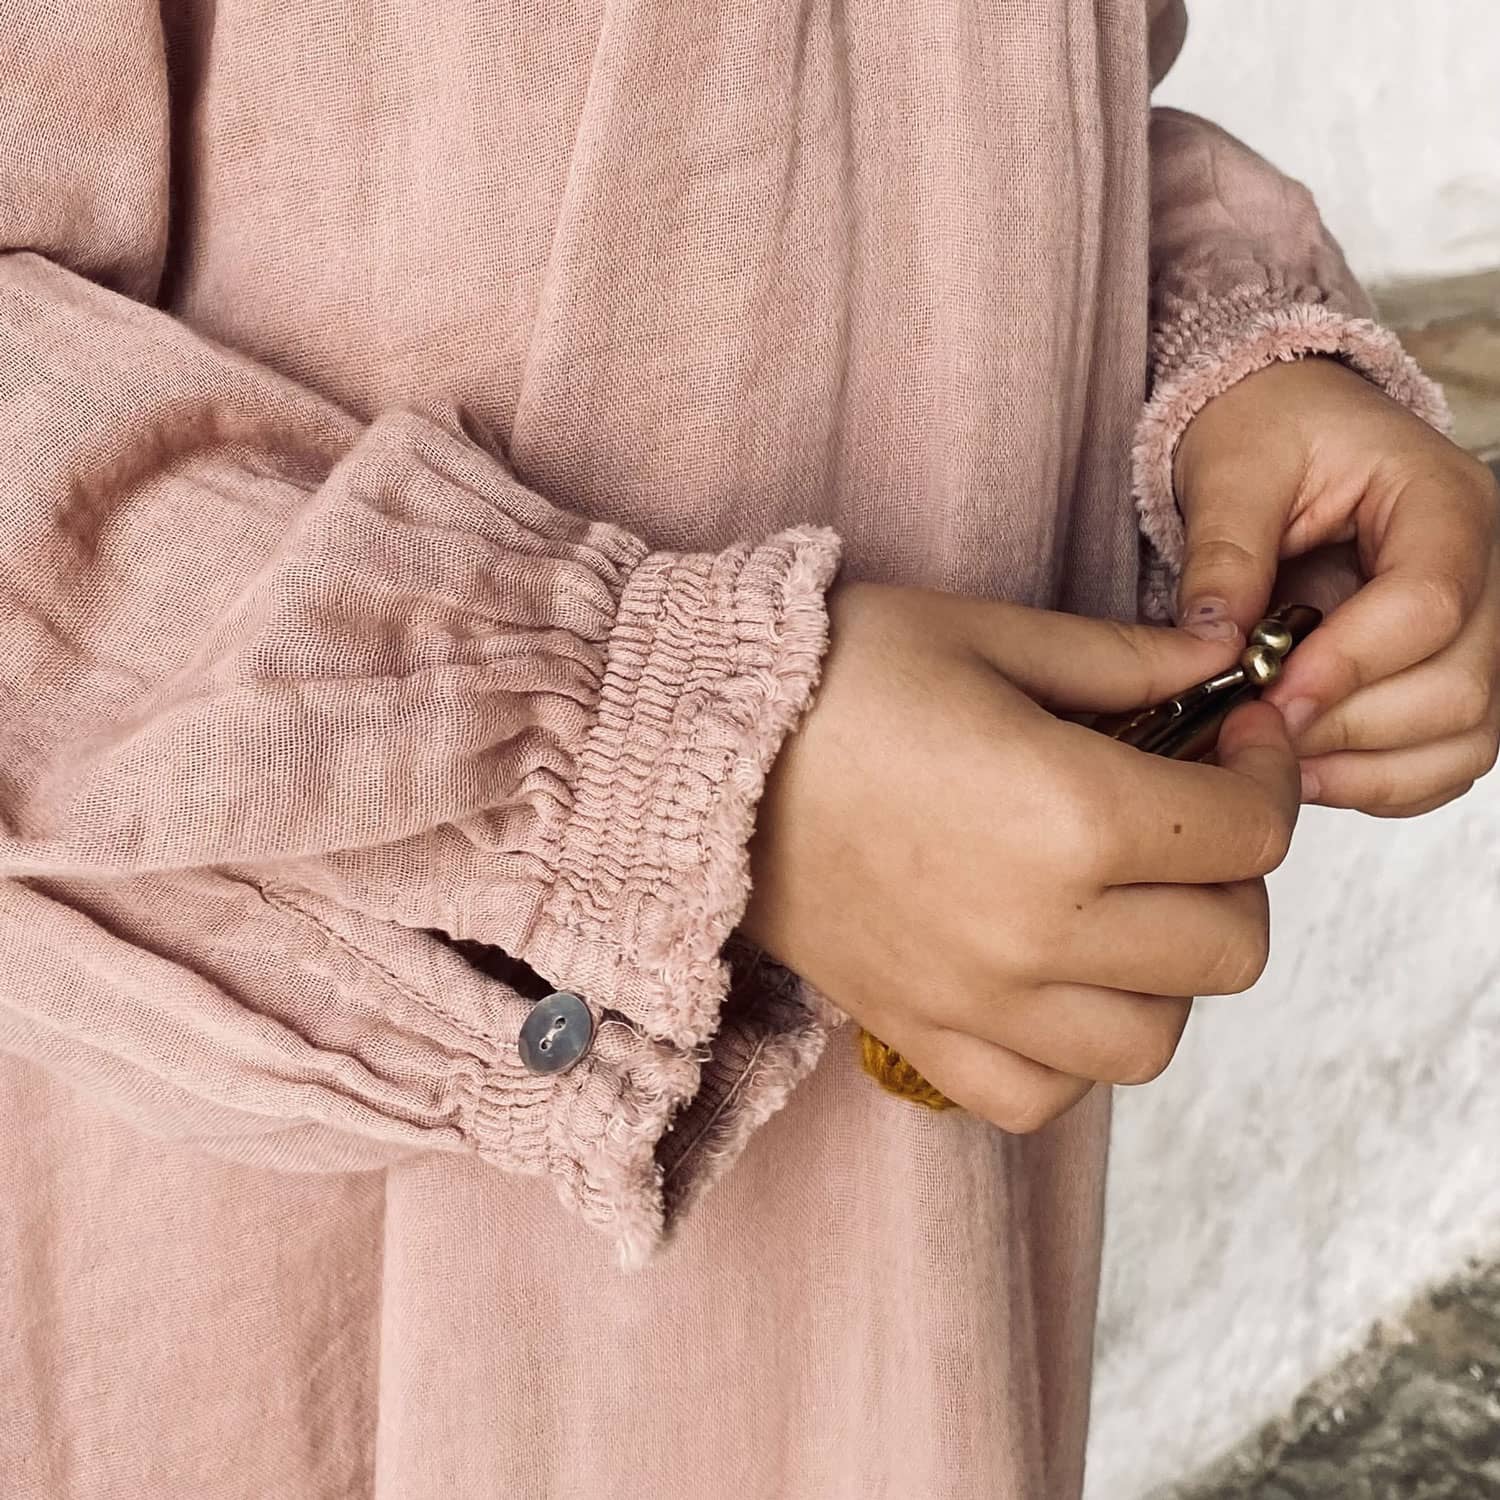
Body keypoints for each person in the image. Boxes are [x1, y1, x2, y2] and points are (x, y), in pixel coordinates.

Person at [2, 1, 1496, 1496]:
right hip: (326, 1238)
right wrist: (684, 762)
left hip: (916, 1245)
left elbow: (983, 142)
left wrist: (1235, 365)